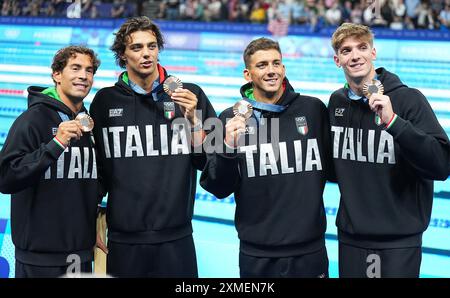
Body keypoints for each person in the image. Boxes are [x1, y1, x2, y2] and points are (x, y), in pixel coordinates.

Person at [89, 16, 216, 278]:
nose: (146, 53)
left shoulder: (191, 95)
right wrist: (88, 220)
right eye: (136, 48)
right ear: (122, 55)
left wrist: (194, 120)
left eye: (152, 46)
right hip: (125, 240)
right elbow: (98, 172)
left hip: (176, 238)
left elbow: (211, 161)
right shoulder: (105, 101)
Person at [200, 37, 333, 278]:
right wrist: (228, 146)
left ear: (283, 68)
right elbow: (217, 187)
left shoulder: (313, 110)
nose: (271, 70)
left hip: (309, 252)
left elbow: (337, 169)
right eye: (262, 65)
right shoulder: (230, 118)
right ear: (247, 74)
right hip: (257, 255)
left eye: (276, 63)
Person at [329, 23, 450, 278]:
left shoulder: (409, 100)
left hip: (398, 240)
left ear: (373, 53)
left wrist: (394, 121)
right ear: (337, 60)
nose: (355, 55)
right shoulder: (337, 103)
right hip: (351, 238)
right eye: (347, 50)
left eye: (362, 47)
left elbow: (441, 165)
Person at [0, 45, 101, 278]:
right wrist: (55, 144)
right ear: (57, 74)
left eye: (89, 70)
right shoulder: (32, 120)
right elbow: (5, 177)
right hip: (40, 260)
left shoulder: (88, 124)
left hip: (81, 255)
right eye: (75, 68)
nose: (83, 76)